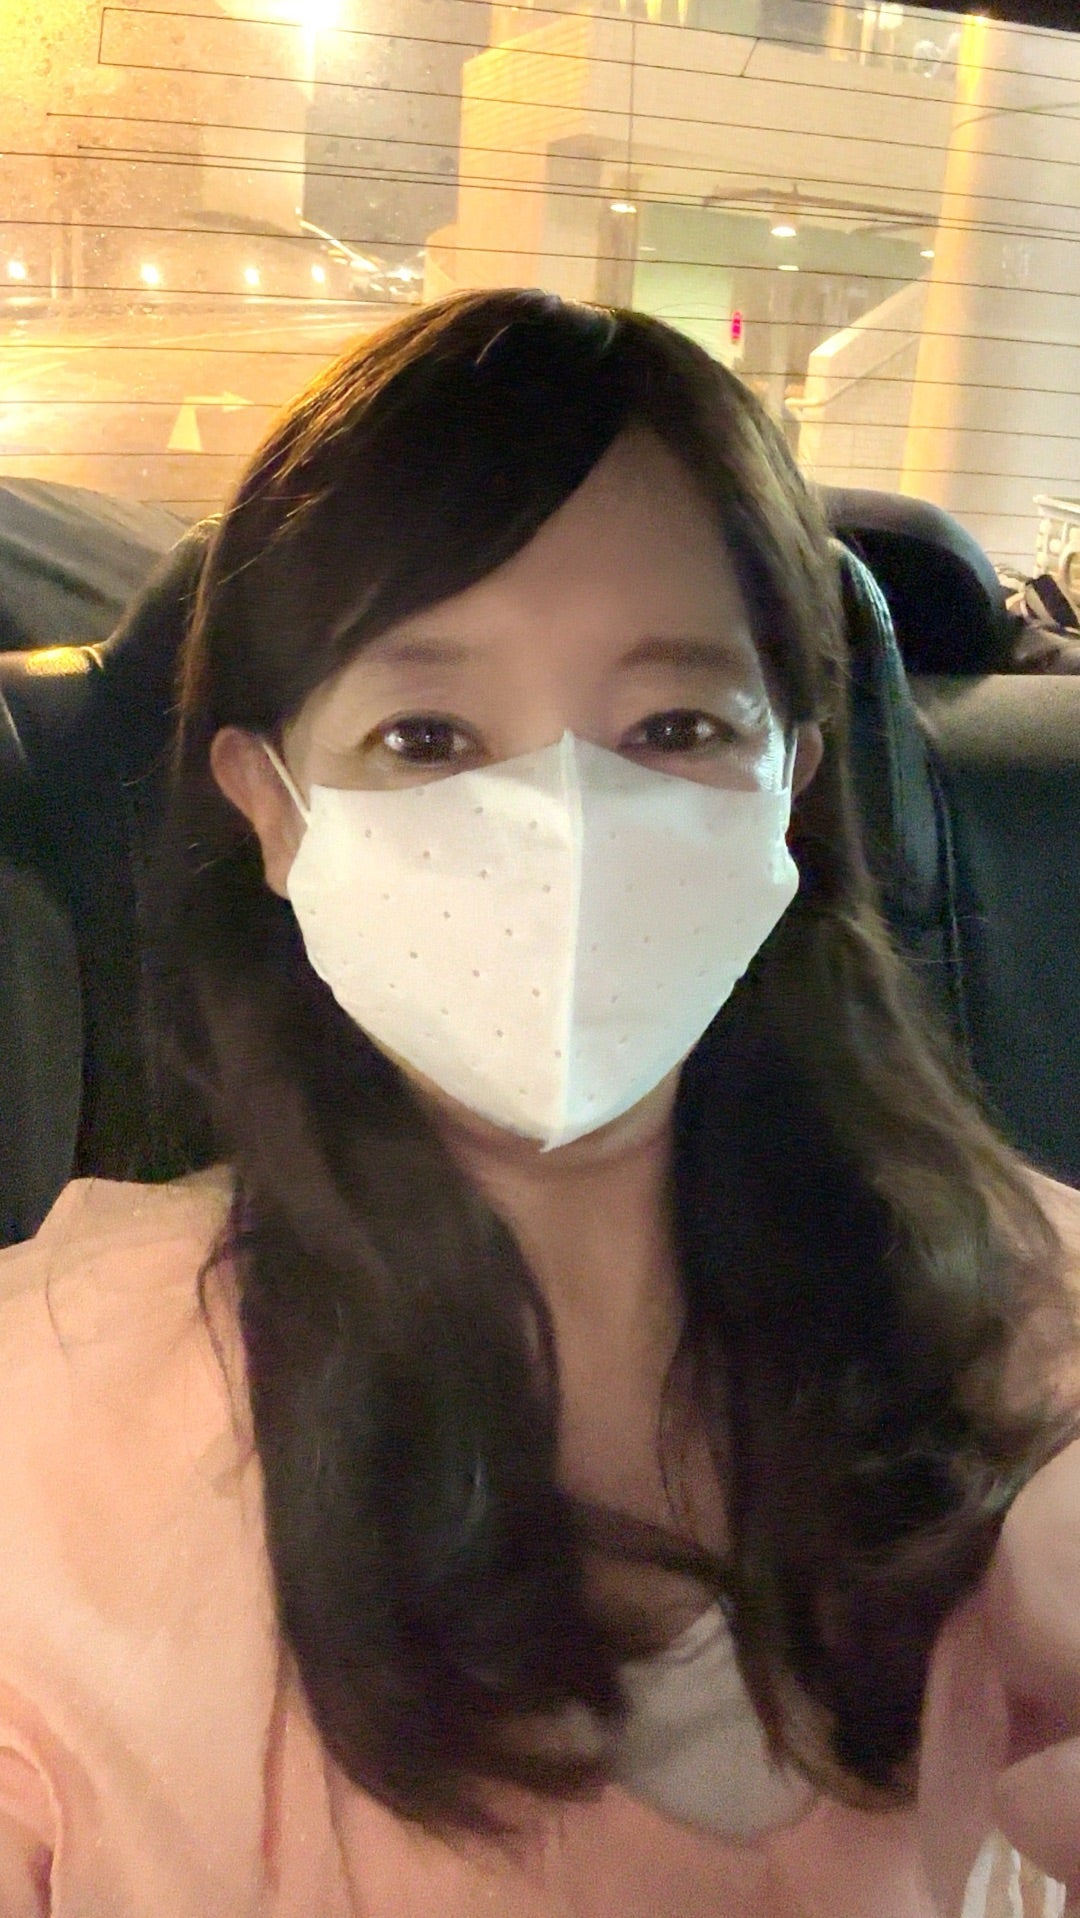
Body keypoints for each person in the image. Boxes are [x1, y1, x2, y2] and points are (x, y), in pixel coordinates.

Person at [0, 288, 1078, 1918]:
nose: (566, 821)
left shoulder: (1046, 1338)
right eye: (429, 735)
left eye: (675, 727)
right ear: (272, 810)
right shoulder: (50, 1436)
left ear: (788, 788)